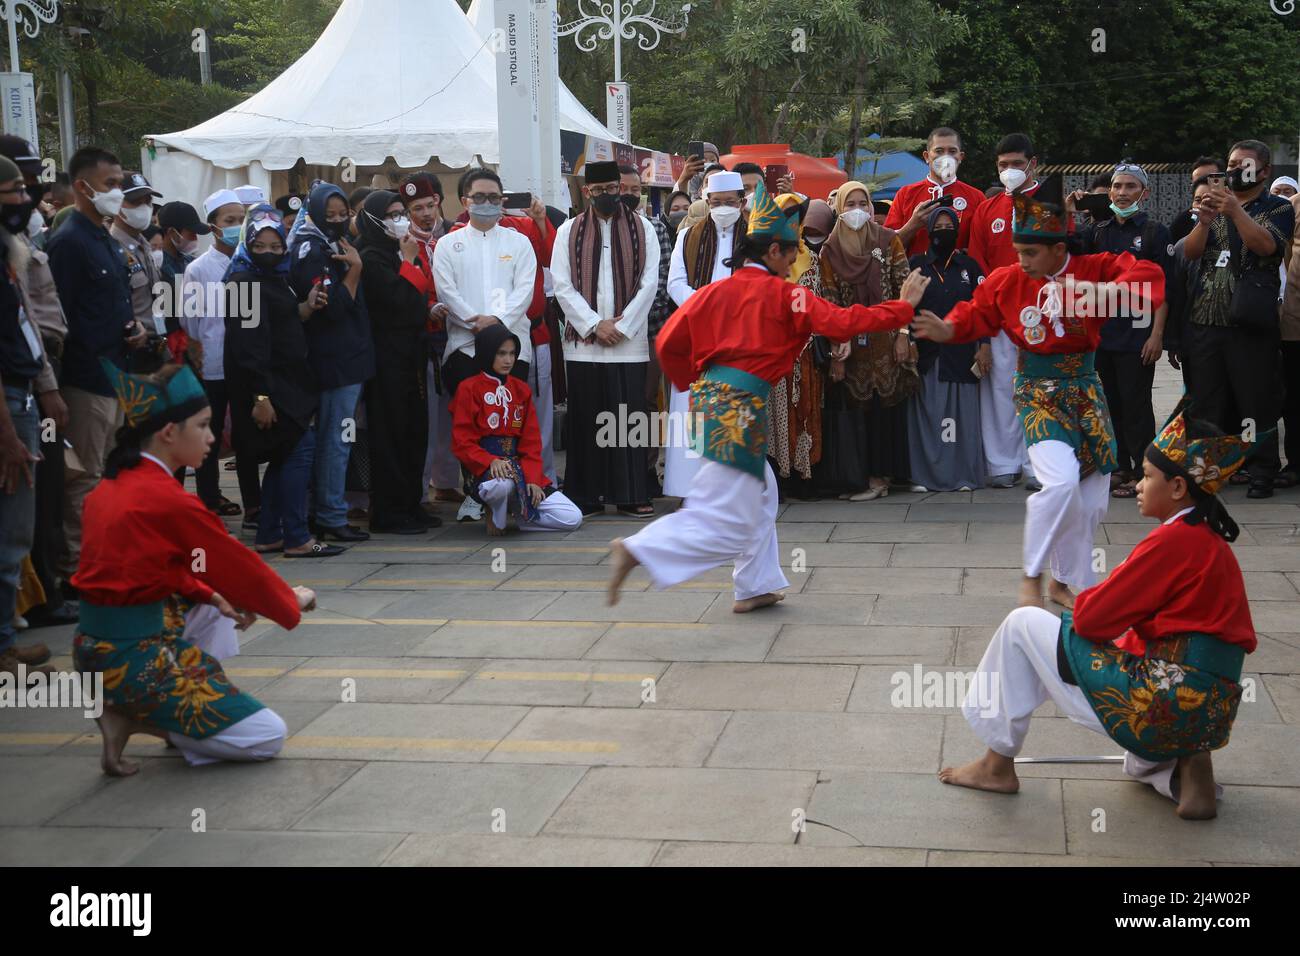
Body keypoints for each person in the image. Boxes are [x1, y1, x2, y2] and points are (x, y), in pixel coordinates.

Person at [608, 180, 932, 610]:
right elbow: (841, 322)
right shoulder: (786, 295)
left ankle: (755, 585)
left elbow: (668, 342)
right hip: (738, 409)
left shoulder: (715, 292)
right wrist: (902, 309)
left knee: (761, 494)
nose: (796, 257)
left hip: (716, 399)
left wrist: (693, 382)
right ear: (773, 252)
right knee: (728, 519)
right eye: (791, 250)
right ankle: (640, 550)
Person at [941, 400, 1260, 821]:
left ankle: (996, 765)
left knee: (1022, 624)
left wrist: (1088, 605)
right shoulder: (1212, 542)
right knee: (1137, 762)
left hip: (1162, 702)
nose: (1140, 487)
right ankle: (1189, 761)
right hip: (1212, 711)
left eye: (1148, 477)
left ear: (1179, 488)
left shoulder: (1172, 542)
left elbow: (1092, 620)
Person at [912, 176, 1165, 609]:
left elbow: (1149, 276)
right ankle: (1031, 574)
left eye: (1031, 253)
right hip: (1037, 391)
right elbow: (976, 313)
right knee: (1061, 483)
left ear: (1059, 250)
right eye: (1019, 252)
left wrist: (1101, 291)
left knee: (1091, 501)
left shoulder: (1093, 268)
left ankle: (1064, 582)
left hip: (1086, 389)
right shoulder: (1007, 281)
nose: (1022, 261)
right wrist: (948, 327)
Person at [72, 359, 318, 775]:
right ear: (169, 432)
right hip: (130, 659)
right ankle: (144, 715)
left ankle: (133, 707)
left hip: (96, 647)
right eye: (203, 426)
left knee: (214, 603)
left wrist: (211, 595)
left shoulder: (115, 484)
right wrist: (289, 600)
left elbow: (158, 568)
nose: (213, 437)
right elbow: (232, 561)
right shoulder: (166, 498)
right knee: (267, 734)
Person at [46, 147, 143, 595]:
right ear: (83, 187)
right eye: (110, 184)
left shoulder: (103, 237)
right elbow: (58, 317)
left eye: (120, 183)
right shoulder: (68, 241)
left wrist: (136, 327)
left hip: (115, 372)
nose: (118, 192)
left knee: (106, 475)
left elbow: (112, 301)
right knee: (82, 477)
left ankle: (103, 560)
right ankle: (77, 571)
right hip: (85, 379)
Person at [224, 205, 339, 558]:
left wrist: (305, 306)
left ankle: (271, 533)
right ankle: (297, 537)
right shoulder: (241, 282)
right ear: (248, 244)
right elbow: (247, 346)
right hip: (269, 387)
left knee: (286, 454)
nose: (270, 253)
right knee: (298, 451)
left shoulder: (276, 279)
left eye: (276, 247)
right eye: (261, 247)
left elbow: (284, 321)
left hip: (288, 382)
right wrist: (260, 396)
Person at [1179, 140, 1293, 499]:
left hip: (1249, 320)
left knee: (1254, 400)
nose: (1233, 171)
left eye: (1243, 165)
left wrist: (1236, 211)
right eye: (1230, 164)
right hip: (1205, 318)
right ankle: (1205, 470)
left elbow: (1266, 247)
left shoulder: (1277, 208)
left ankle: (1261, 471)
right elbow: (1191, 252)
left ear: (1264, 172)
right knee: (1205, 400)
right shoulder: (1212, 202)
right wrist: (1207, 218)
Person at [552, 160, 661, 517]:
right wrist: (595, 324)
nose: (607, 196)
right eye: (598, 192)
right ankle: (588, 496)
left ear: (621, 188)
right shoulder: (568, 231)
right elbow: (562, 284)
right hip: (584, 343)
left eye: (613, 190)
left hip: (628, 343)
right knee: (587, 420)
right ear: (587, 193)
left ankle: (631, 494)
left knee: (627, 420)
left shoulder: (642, 228)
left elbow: (649, 282)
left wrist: (623, 326)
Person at [433, 168, 538, 522]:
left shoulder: (518, 242)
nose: (487, 204)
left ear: (502, 201)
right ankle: (475, 491)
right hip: (465, 345)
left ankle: (516, 486)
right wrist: (476, 322)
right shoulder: (448, 244)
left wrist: (496, 325)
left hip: (511, 346)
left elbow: (525, 290)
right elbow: (447, 290)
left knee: (510, 422)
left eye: (494, 198)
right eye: (479, 198)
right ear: (465, 202)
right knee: (470, 424)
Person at [1076, 161, 1174, 501]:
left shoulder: (1153, 232)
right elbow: (1068, 255)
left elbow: (1164, 288)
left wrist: (1157, 335)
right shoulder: (1097, 232)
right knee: (1109, 403)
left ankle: (1143, 471)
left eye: (1130, 186)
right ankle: (1118, 466)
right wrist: (1070, 208)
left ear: (1143, 193)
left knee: (1137, 405)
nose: (1122, 192)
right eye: (1117, 186)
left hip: (1138, 333)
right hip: (1103, 332)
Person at [817, 180, 918, 500]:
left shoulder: (889, 241)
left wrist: (903, 335)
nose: (857, 210)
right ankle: (861, 479)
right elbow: (830, 301)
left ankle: (882, 479)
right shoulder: (830, 250)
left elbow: (905, 290)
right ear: (839, 209)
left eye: (864, 203)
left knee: (886, 410)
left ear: (872, 208)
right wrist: (837, 348)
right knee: (857, 411)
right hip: (852, 344)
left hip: (888, 342)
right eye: (850, 204)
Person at [288, 181, 376, 541]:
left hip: (347, 357)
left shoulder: (330, 243)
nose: (339, 221)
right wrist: (355, 271)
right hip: (334, 360)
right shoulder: (311, 249)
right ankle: (330, 517)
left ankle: (327, 511)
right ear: (314, 213)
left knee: (338, 438)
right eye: (331, 215)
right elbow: (334, 308)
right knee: (336, 439)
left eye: (344, 215)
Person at [0, 154, 58, 672]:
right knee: (12, 530)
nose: (24, 200)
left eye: (25, 190)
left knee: (15, 531)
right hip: (9, 408)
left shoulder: (8, 252)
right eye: (12, 191)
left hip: (22, 397)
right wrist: (9, 435)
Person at [355, 190, 437, 533]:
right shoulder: (371, 257)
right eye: (392, 214)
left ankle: (409, 502)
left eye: (401, 212)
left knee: (414, 430)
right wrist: (408, 262)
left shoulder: (395, 252)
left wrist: (408, 262)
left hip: (411, 355)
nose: (400, 218)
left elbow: (418, 301)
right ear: (374, 219)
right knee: (390, 433)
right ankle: (388, 510)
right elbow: (401, 303)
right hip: (386, 357)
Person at [452, 323, 582, 535]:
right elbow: (461, 441)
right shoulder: (469, 388)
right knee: (500, 486)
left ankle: (522, 517)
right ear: (487, 353)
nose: (508, 360)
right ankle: (494, 510)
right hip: (488, 471)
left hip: (520, 469)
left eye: (513, 353)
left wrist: (532, 479)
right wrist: (489, 461)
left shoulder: (520, 389)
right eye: (501, 353)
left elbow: (530, 442)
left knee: (572, 517)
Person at [966, 133, 1043, 489]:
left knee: (1038, 387)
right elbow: (978, 265)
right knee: (998, 387)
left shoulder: (1050, 205)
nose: (1009, 171)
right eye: (1003, 166)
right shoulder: (986, 209)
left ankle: (1037, 463)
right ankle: (1002, 463)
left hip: (1042, 313)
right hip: (998, 314)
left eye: (1015, 164)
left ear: (1033, 164)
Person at [181, 188, 263, 522]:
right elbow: (189, 319)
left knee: (245, 437)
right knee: (210, 436)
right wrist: (200, 350)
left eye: (241, 219)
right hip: (212, 364)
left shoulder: (253, 263)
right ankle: (209, 499)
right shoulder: (197, 269)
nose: (236, 226)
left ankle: (254, 505)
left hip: (245, 365)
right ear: (213, 226)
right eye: (229, 220)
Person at [664, 170, 747, 498]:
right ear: (706, 202)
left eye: (729, 202)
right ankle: (691, 490)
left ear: (741, 202)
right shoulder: (689, 235)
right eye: (716, 202)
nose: (723, 207)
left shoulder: (756, 236)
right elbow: (674, 283)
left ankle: (735, 492)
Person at [906, 205, 988, 491]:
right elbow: (905, 307)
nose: (944, 231)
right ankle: (925, 476)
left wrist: (985, 345)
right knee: (930, 416)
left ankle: (961, 475)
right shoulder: (916, 265)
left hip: (963, 352)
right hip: (927, 353)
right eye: (937, 226)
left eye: (948, 226)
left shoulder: (970, 267)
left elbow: (984, 309)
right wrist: (907, 339)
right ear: (928, 231)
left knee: (958, 418)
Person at [396, 173, 459, 508]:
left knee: (452, 413)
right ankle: (419, 488)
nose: (425, 213)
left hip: (456, 335)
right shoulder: (402, 244)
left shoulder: (454, 235)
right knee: (426, 417)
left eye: (429, 204)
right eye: (416, 207)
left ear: (438, 201)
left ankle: (447, 481)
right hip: (423, 339)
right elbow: (400, 293)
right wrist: (427, 308)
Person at [771, 198, 834, 494]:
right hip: (774, 355)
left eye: (796, 220)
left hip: (806, 353)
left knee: (806, 411)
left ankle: (804, 477)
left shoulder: (811, 257)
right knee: (776, 418)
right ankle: (780, 478)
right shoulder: (765, 261)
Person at [884, 126, 988, 256]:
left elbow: (984, 248)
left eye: (952, 151)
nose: (946, 157)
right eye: (939, 151)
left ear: (960, 157)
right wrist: (913, 224)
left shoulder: (976, 197)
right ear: (927, 156)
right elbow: (886, 248)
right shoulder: (905, 194)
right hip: (915, 274)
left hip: (960, 275)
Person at [1279, 186, 1300, 487]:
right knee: (1294, 397)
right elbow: (1283, 258)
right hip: (1295, 322)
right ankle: (1295, 464)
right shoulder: (1292, 206)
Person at [1169, 157, 1226, 244]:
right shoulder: (1182, 223)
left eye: (1210, 180)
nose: (1204, 185)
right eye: (1198, 182)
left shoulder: (1235, 216)